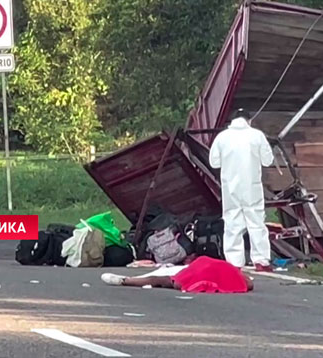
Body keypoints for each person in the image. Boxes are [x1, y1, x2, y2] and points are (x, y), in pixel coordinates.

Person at [209, 108, 275, 271]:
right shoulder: (257, 135)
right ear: (249, 120)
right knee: (256, 222)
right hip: (251, 186)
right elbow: (268, 160)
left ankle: (234, 263)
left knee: (232, 223)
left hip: (230, 187)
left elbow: (214, 163)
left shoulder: (222, 137)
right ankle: (261, 260)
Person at [100, 255, 254, 293]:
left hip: (199, 268)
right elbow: (249, 284)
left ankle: (126, 280)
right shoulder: (238, 279)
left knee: (162, 279)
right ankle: (125, 280)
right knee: (162, 280)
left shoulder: (235, 272)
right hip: (199, 270)